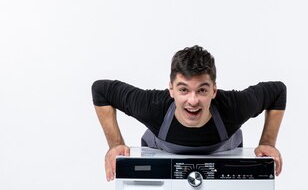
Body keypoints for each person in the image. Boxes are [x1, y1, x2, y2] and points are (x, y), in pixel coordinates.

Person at [92, 45, 286, 180]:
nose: (193, 101)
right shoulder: (154, 107)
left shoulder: (233, 108)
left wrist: (268, 143)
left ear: (214, 90)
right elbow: (101, 90)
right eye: (183, 90)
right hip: (162, 172)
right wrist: (115, 144)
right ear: (171, 89)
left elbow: (277, 91)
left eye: (202, 90)